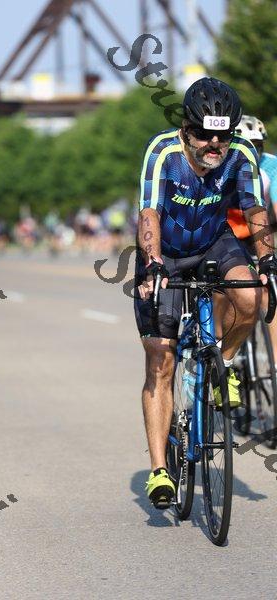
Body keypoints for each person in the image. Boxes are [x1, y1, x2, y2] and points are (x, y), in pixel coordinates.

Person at [135, 77, 277, 509]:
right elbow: (149, 211)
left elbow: (254, 209)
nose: (215, 143)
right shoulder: (163, 152)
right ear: (186, 128)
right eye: (204, 134)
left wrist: (268, 261)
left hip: (215, 242)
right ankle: (160, 470)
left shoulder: (241, 153)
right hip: (166, 250)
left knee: (251, 298)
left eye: (223, 135)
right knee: (161, 359)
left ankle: (223, 365)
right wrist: (153, 262)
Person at [227, 115, 277, 369]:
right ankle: (222, 347)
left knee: (271, 290)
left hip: (259, 234)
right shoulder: (221, 166)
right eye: (247, 145)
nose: (253, 152)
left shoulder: (271, 167)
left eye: (258, 146)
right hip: (227, 235)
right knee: (223, 288)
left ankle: (276, 363)